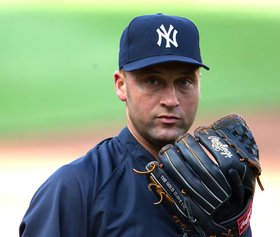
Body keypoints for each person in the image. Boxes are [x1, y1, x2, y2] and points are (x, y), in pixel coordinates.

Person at [19, 13, 252, 237]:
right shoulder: (75, 189)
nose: (171, 100)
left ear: (199, 85)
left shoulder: (221, 189)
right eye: (152, 81)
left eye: (184, 81)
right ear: (121, 85)